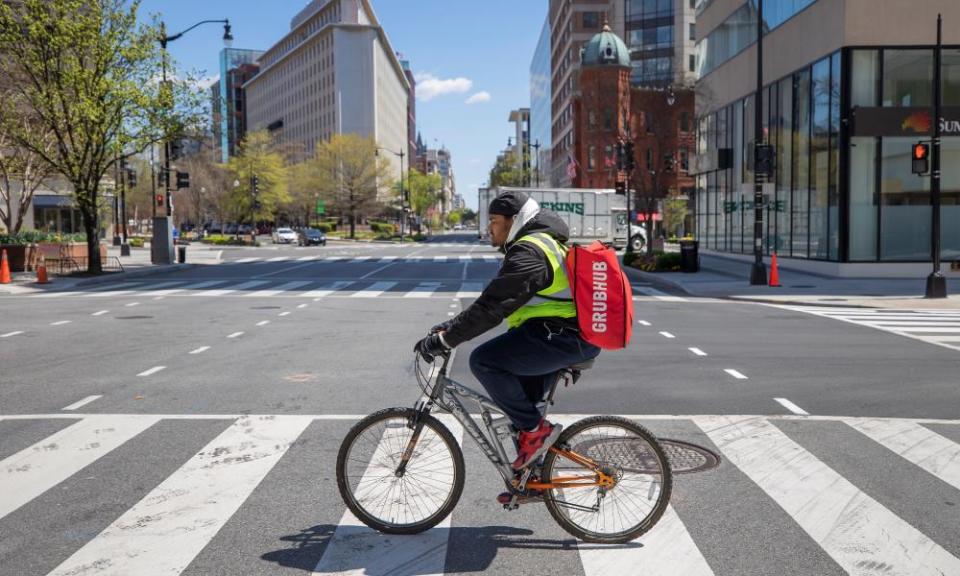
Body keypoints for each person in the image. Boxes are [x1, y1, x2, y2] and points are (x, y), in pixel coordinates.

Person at [414, 190, 601, 476]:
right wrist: (450, 328)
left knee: (484, 361)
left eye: (494, 220)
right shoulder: (537, 244)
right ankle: (532, 477)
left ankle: (536, 433)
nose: (489, 227)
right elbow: (493, 300)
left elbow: (493, 307)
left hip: (561, 337)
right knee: (520, 413)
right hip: (559, 336)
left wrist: (445, 340)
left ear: (514, 220)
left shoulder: (530, 252)